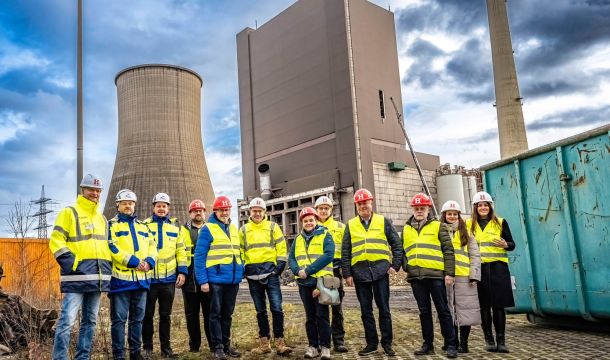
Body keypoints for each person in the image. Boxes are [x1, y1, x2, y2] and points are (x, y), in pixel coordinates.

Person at [49, 174, 112, 360]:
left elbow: (104, 247)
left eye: (98, 190)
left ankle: (82, 357)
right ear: (82, 190)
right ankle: (59, 358)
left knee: (90, 322)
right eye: (91, 189)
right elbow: (56, 240)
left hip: (96, 278)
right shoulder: (70, 212)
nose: (95, 193)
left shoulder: (102, 219)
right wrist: (72, 264)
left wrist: (106, 272)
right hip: (76, 277)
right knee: (67, 321)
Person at [341, 189, 403, 356]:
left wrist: (395, 266)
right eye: (360, 204)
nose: (363, 206)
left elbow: (397, 245)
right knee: (366, 311)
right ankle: (372, 343)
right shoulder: (351, 225)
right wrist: (347, 274)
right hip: (360, 273)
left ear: (371, 203)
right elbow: (345, 251)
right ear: (356, 205)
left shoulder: (383, 221)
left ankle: (387, 343)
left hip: (381, 272)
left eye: (365, 202)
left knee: (384, 309)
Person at [403, 193, 457, 358]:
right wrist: (407, 266)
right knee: (423, 311)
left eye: (422, 208)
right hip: (416, 278)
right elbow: (402, 250)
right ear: (413, 209)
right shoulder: (406, 228)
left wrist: (449, 273)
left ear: (428, 209)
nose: (419, 211)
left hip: (436, 276)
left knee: (443, 310)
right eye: (417, 208)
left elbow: (448, 250)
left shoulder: (438, 226)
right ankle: (428, 344)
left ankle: (451, 344)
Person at [107, 189, 158, 360]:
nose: (128, 206)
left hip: (141, 282)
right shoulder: (111, 225)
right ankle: (119, 355)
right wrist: (134, 262)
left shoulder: (143, 226)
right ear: (118, 205)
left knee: (138, 320)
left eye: (131, 203)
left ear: (135, 205)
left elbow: (153, 246)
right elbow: (112, 247)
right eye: (124, 203)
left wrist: (149, 262)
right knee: (119, 321)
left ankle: (136, 353)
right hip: (121, 281)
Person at [239, 197, 292, 355]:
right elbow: (240, 251)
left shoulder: (272, 227)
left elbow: (281, 248)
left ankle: (280, 343)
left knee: (277, 309)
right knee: (260, 310)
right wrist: (244, 269)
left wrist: (278, 269)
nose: (257, 213)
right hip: (253, 276)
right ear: (250, 212)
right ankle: (264, 344)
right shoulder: (243, 230)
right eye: (254, 210)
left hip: (271, 275)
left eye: (259, 210)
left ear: (264, 212)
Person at [194, 196, 244, 360]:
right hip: (215, 280)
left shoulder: (234, 229)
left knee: (227, 314)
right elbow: (199, 257)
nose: (225, 212)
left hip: (232, 280)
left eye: (227, 209)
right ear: (215, 211)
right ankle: (218, 347)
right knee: (215, 314)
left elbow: (239, 252)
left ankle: (227, 344)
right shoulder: (207, 229)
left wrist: (241, 270)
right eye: (222, 210)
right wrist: (203, 281)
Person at [467, 191, 515, 353]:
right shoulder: (468, 225)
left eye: (485, 205)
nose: (483, 207)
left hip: (498, 268)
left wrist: (505, 245)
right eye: (480, 205)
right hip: (479, 269)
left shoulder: (500, 222)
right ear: (475, 207)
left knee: (499, 306)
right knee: (484, 306)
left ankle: (501, 340)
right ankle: (489, 339)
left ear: (490, 207)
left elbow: (512, 244)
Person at [142, 193, 188, 358]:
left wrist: (182, 272)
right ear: (153, 207)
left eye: (164, 206)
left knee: (165, 316)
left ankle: (166, 349)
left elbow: (181, 251)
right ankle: (147, 348)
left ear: (168, 208)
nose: (161, 209)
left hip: (168, 280)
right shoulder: (144, 226)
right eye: (158, 206)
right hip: (149, 280)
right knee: (147, 315)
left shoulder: (175, 227)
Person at [288, 207, 334, 360]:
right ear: (302, 222)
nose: (308, 223)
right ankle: (313, 346)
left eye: (311, 220)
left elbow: (328, 255)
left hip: (320, 282)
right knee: (310, 317)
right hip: (304, 283)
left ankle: (326, 347)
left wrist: (308, 270)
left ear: (316, 221)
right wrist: (296, 271)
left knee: (322, 315)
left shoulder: (326, 235)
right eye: (305, 220)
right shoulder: (297, 239)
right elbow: (292, 258)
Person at [440, 200, 481, 354]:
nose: (452, 216)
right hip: (446, 277)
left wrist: (474, 275)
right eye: (449, 214)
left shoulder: (467, 232)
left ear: (459, 215)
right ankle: (452, 341)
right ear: (444, 215)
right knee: (448, 310)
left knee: (465, 311)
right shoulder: (439, 231)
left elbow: (475, 254)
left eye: (455, 214)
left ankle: (464, 343)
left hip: (464, 277)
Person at [314, 195, 348, 353]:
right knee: (320, 308)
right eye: (320, 208)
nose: (323, 211)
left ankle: (339, 340)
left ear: (331, 210)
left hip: (335, 270)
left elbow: (347, 250)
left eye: (326, 208)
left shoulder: (340, 227)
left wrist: (344, 270)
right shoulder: (312, 226)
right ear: (316, 210)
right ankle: (323, 340)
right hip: (318, 271)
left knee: (336, 306)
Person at [181, 199, 213, 353]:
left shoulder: (211, 229)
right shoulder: (183, 230)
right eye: (195, 210)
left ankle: (214, 344)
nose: (198, 212)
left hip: (207, 280)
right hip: (189, 281)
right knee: (191, 315)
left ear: (205, 212)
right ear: (190, 213)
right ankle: (194, 346)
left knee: (209, 314)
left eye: (201, 210)